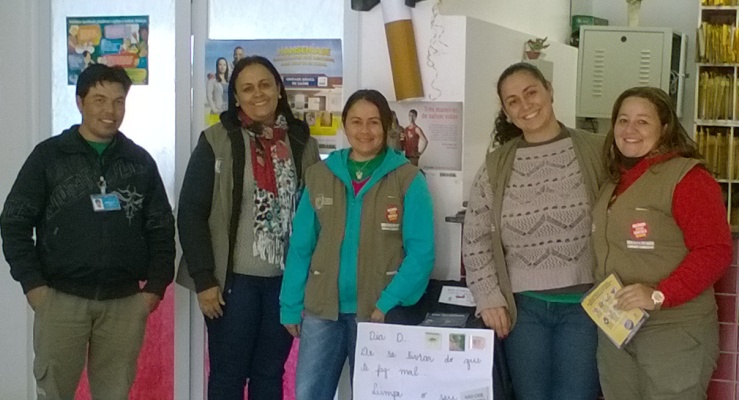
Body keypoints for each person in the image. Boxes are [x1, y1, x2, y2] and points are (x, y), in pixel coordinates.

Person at [0, 64, 175, 399]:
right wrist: (34, 285)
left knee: (114, 393)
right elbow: (14, 221)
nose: (110, 111)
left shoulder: (139, 162)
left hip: (124, 303)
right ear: (80, 102)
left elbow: (162, 228)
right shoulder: (49, 157)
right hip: (60, 300)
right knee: (54, 392)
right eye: (99, 100)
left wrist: (154, 288)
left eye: (119, 101)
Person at [177, 56, 320, 400]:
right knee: (228, 376)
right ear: (236, 97)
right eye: (247, 88)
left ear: (279, 89)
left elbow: (315, 213)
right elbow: (191, 212)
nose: (258, 94)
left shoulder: (301, 142)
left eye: (265, 85)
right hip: (232, 284)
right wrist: (204, 279)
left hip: (284, 284)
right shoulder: (216, 140)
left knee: (269, 375)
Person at [462, 62, 606, 400]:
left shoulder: (597, 151)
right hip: (523, 310)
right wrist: (488, 298)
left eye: (531, 93)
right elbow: (476, 238)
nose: (525, 105)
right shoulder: (496, 165)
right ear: (506, 112)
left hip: (585, 306)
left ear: (549, 90)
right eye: (513, 101)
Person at [280, 89, 435, 400]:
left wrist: (387, 303)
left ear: (387, 126)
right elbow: (301, 246)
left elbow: (421, 253)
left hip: (378, 312)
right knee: (309, 394)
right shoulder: (320, 175)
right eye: (356, 121)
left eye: (373, 122)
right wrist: (290, 305)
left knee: (373, 395)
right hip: (322, 311)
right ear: (345, 125)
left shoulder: (407, 179)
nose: (365, 130)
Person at [592, 87, 733, 399]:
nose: (630, 129)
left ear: (665, 128)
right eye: (623, 120)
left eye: (643, 122)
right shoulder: (614, 181)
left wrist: (659, 294)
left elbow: (715, 251)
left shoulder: (688, 179)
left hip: (673, 332)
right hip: (618, 328)